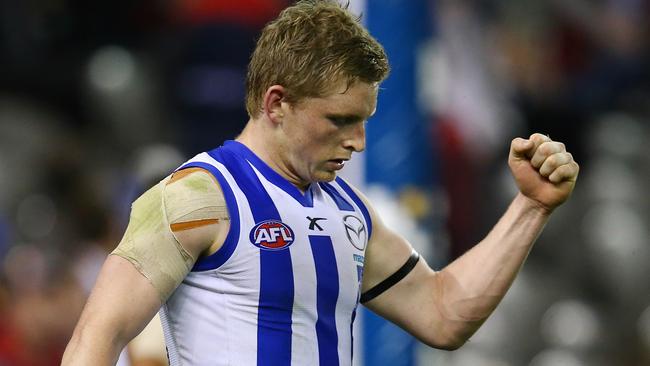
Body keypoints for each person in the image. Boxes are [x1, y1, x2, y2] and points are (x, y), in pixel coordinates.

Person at [62, 1, 580, 365]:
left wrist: (531, 207)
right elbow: (95, 339)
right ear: (275, 103)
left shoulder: (349, 216)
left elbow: (444, 314)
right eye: (339, 120)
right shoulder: (194, 197)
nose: (357, 142)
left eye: (365, 121)